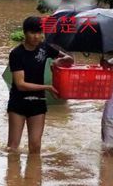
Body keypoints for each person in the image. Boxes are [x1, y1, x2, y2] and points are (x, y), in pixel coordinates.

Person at [7, 16, 74, 154]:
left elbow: (69, 59)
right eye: (32, 33)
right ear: (25, 33)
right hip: (18, 103)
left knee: (36, 146)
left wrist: (58, 62)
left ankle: (34, 174)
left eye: (39, 33)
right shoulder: (16, 54)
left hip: (38, 102)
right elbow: (20, 84)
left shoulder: (45, 48)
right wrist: (48, 87)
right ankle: (13, 175)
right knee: (13, 147)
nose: (36, 37)